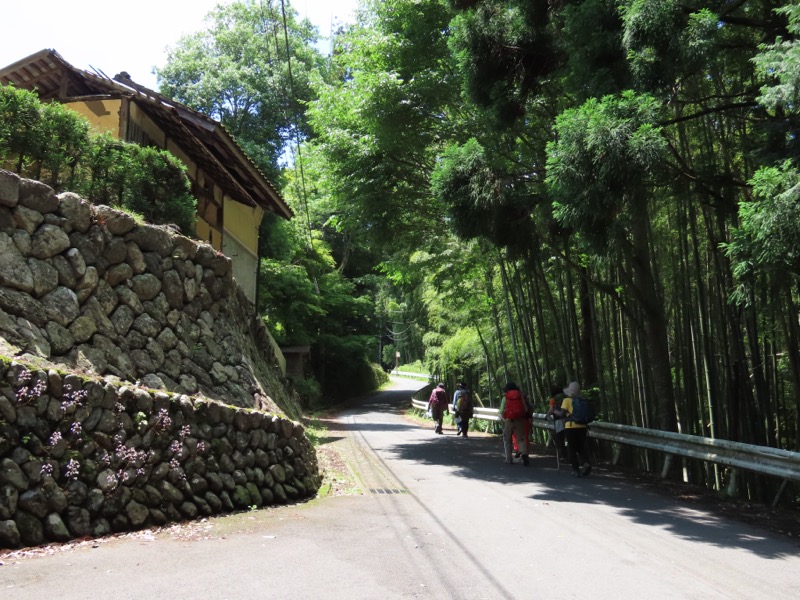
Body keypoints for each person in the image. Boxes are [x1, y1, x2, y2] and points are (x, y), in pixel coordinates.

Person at [560, 381, 592, 477]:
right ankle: (586, 462)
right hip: (582, 426)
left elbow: (562, 414)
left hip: (570, 426)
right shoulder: (583, 400)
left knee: (572, 448)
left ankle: (575, 470)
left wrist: (556, 412)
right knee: (581, 447)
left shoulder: (566, 400)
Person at [500, 382, 529, 465]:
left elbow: (501, 411)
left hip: (509, 420)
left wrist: (503, 419)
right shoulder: (520, 396)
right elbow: (525, 409)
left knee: (507, 440)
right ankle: (524, 454)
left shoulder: (505, 397)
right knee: (521, 439)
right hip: (520, 420)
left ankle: (509, 459)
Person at [545, 385, 566, 458]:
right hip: (569, 420)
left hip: (559, 420)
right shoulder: (566, 396)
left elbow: (551, 410)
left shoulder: (553, 399)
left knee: (560, 439)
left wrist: (547, 416)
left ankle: (563, 456)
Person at [512, 393, 534, 458]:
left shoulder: (517, 404)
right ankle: (526, 452)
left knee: (515, 436)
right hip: (526, 421)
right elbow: (531, 415)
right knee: (525, 437)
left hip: (517, 421)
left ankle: (517, 450)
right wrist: (531, 422)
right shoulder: (529, 405)